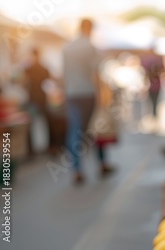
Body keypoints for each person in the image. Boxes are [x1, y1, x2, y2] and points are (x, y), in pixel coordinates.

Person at [62, 18, 113, 184]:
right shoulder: (90, 47)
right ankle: (102, 163)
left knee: (75, 131)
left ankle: (76, 169)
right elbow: (96, 73)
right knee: (95, 128)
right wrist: (102, 96)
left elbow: (64, 75)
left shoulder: (67, 48)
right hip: (88, 93)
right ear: (90, 29)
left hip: (72, 94)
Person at [23, 48, 53, 155]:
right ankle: (49, 147)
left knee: (32, 123)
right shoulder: (41, 68)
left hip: (34, 98)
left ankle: (31, 149)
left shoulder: (29, 68)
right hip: (39, 97)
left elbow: (23, 82)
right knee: (45, 122)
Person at [140, 44, 165, 117]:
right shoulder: (156, 59)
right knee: (154, 100)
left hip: (154, 84)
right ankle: (154, 114)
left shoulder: (153, 59)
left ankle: (154, 114)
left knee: (153, 100)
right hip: (153, 84)